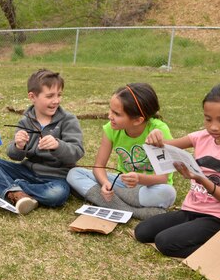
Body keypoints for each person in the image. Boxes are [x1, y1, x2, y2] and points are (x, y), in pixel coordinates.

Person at [134, 82, 220, 258]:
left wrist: (202, 179)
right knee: (142, 232)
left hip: (217, 218)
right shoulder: (203, 136)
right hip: (190, 210)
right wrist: (155, 137)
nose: (213, 127)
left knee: (165, 243)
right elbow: (165, 146)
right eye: (208, 119)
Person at [0, 69, 84, 214]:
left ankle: (9, 188)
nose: (56, 100)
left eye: (59, 95)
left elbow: (77, 152)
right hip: (27, 171)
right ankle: (15, 191)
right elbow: (14, 156)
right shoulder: (26, 121)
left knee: (58, 195)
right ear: (32, 97)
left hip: (56, 178)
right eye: (50, 96)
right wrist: (18, 146)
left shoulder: (68, 120)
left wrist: (58, 145)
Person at [67, 83, 176, 219]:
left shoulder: (158, 132)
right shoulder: (110, 129)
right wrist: (105, 183)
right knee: (74, 173)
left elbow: (162, 179)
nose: (109, 116)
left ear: (137, 120)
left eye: (116, 114)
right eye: (110, 110)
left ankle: (109, 201)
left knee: (168, 193)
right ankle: (133, 211)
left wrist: (139, 178)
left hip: (151, 186)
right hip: (123, 183)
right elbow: (99, 166)